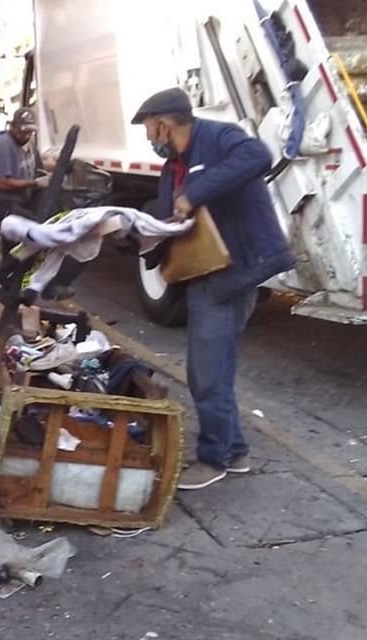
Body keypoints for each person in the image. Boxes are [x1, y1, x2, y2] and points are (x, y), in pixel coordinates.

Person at [131, 88, 297, 490]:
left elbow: (259, 156)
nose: (149, 138)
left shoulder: (219, 136)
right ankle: (235, 451)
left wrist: (195, 195)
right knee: (213, 368)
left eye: (149, 129)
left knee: (207, 372)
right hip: (203, 272)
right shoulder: (173, 166)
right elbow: (175, 218)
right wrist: (149, 239)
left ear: (164, 123)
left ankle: (214, 458)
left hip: (232, 273)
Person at [0, 107, 49, 286]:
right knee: (37, 233)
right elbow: (2, 182)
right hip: (2, 203)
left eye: (30, 131)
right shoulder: (4, 145)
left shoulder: (29, 146)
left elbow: (39, 171)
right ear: (12, 126)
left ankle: (5, 286)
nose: (26, 135)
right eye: (22, 131)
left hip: (19, 202)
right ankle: (16, 284)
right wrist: (34, 183)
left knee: (13, 249)